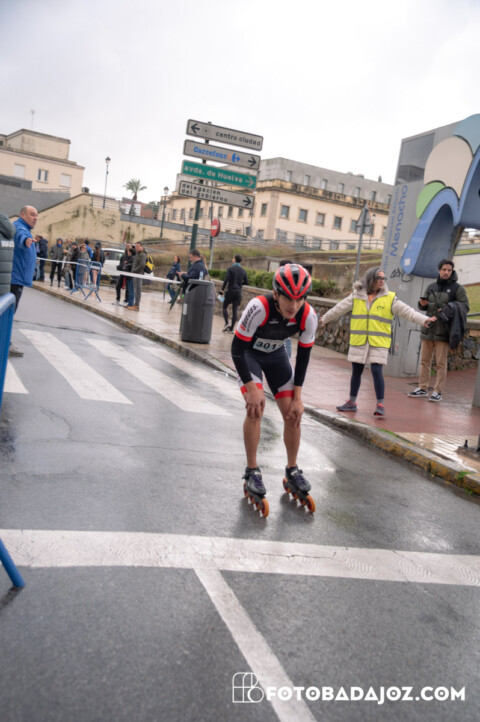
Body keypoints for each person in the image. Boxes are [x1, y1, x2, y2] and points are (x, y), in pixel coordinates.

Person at [231, 263, 318, 506]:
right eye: (288, 298)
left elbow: (303, 357)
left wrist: (298, 398)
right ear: (276, 294)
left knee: (293, 413)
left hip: (276, 356)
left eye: (300, 299)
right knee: (256, 408)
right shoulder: (259, 307)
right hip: (249, 355)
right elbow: (236, 349)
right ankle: (252, 470)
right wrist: (251, 388)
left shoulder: (308, 315)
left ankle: (292, 469)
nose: (294, 305)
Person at [320, 267, 435, 416]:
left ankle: (380, 405)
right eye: (379, 278)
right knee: (356, 371)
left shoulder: (389, 298)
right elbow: (339, 308)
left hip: (379, 342)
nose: (382, 281)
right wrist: (325, 318)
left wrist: (424, 320)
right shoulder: (357, 295)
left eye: (383, 278)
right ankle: (352, 403)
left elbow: (408, 312)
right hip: (359, 340)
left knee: (376, 371)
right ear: (370, 279)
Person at [408, 258, 469, 402]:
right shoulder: (431, 286)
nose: (446, 272)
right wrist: (422, 304)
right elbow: (424, 307)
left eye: (449, 270)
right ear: (439, 271)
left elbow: (465, 307)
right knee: (424, 361)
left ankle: (437, 392)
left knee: (441, 363)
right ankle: (422, 388)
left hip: (445, 331)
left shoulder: (458, 289)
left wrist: (450, 308)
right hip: (428, 329)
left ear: (452, 271)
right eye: (444, 270)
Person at [10, 205, 39, 356]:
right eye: (32, 214)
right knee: (9, 313)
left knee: (9, 312)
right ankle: (5, 343)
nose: (35, 218)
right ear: (22, 215)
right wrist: (26, 240)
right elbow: (21, 237)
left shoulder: (23, 228)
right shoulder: (20, 228)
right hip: (15, 279)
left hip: (17, 278)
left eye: (36, 215)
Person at [221, 254, 248, 333]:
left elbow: (226, 279)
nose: (232, 259)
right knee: (235, 310)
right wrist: (239, 285)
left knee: (224, 307)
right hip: (238, 292)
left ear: (235, 259)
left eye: (233, 258)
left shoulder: (230, 268)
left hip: (230, 291)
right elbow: (246, 281)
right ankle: (231, 329)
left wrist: (222, 289)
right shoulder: (243, 271)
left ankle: (227, 323)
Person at [127, 241, 147, 310]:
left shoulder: (143, 254)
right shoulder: (137, 254)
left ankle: (137, 305)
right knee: (135, 290)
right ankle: (134, 304)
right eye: (136, 246)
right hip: (135, 274)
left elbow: (142, 265)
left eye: (138, 246)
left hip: (139, 275)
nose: (136, 248)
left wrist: (134, 270)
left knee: (138, 290)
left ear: (141, 246)